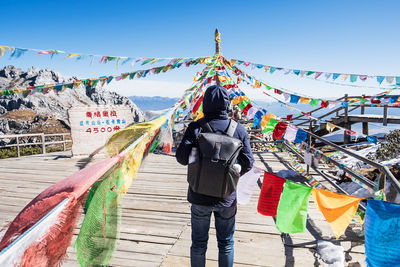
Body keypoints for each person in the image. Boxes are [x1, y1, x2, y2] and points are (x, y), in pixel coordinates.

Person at [176, 85, 254, 267]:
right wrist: (231, 173)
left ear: (205, 103)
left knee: (198, 244)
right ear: (227, 104)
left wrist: (197, 157)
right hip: (227, 197)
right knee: (226, 243)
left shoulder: (196, 127)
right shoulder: (239, 130)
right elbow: (248, 163)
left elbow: (181, 158)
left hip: (199, 195)